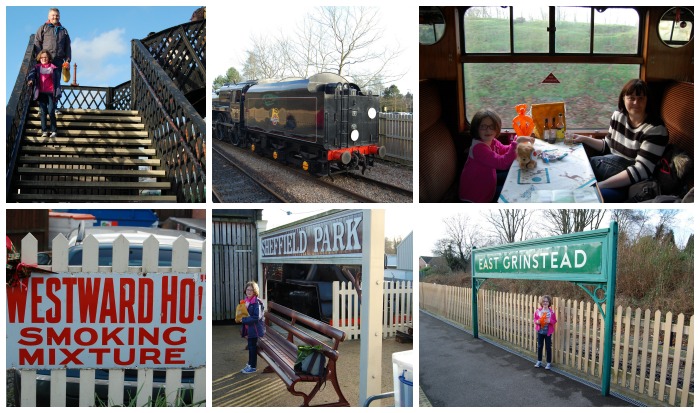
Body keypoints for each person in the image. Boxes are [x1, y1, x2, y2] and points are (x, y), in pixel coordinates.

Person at [574, 79, 668, 202]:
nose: (636, 102)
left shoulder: (656, 130)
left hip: (628, 183)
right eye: (631, 98)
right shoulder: (618, 116)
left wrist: (600, 185)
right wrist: (583, 139)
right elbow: (608, 146)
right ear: (623, 99)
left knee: (589, 197)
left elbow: (641, 170)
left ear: (647, 100)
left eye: (641, 98)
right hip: (608, 170)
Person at [459, 109, 534, 202]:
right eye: (483, 126)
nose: (488, 130)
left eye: (492, 126)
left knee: (517, 175)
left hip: (487, 181)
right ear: (476, 128)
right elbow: (502, 163)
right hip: (477, 195)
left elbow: (504, 150)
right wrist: (516, 143)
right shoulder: (479, 149)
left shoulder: (491, 141)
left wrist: (516, 140)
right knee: (515, 191)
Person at [27, 50, 62, 138]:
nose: (44, 59)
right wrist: (31, 80)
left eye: (45, 57)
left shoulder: (53, 67)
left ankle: (54, 131)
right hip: (41, 93)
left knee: (51, 111)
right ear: (39, 58)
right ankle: (44, 131)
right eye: (42, 57)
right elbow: (32, 74)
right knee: (43, 112)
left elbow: (57, 82)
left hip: (51, 93)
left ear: (49, 58)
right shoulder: (37, 67)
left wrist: (57, 92)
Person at [240, 281, 265, 374]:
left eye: (251, 290)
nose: (249, 291)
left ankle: (252, 366)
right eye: (247, 289)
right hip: (250, 329)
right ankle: (250, 364)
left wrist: (244, 320)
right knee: (251, 346)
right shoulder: (247, 301)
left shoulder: (256, 302)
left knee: (252, 347)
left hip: (255, 330)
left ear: (255, 291)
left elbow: (256, 317)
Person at [533, 295, 557, 370]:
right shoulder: (538, 311)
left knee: (548, 347)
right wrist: (537, 322)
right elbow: (535, 319)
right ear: (541, 302)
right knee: (540, 346)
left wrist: (550, 321)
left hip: (548, 332)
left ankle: (548, 363)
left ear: (549, 302)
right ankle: (539, 361)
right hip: (540, 331)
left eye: (547, 301)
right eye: (544, 301)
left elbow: (554, 321)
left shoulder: (551, 312)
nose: (545, 303)